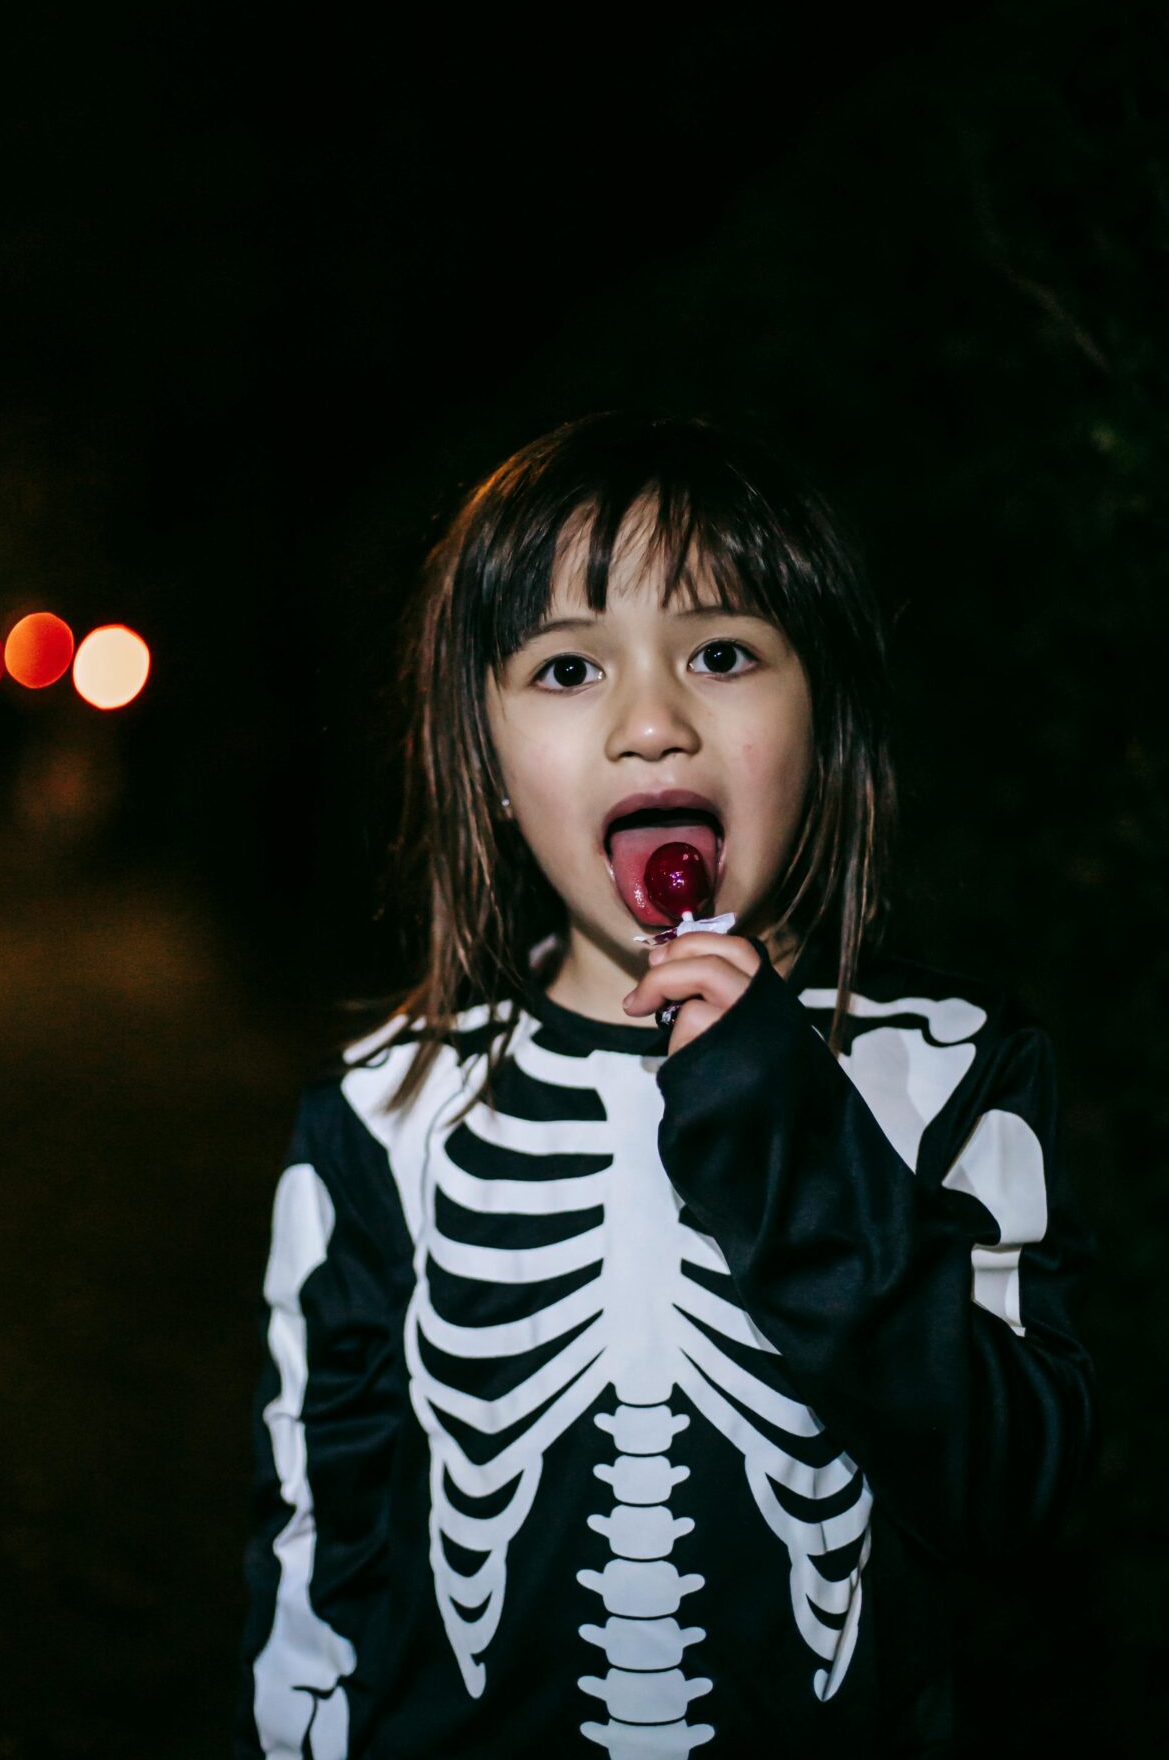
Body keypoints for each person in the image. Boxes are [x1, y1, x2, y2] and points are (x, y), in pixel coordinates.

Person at [235, 411, 1095, 1759]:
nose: (651, 724)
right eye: (568, 668)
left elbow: (1018, 1488)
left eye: (724, 653)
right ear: (491, 766)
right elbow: (315, 1544)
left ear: (824, 720)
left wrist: (792, 1132)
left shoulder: (953, 1069)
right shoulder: (378, 1115)